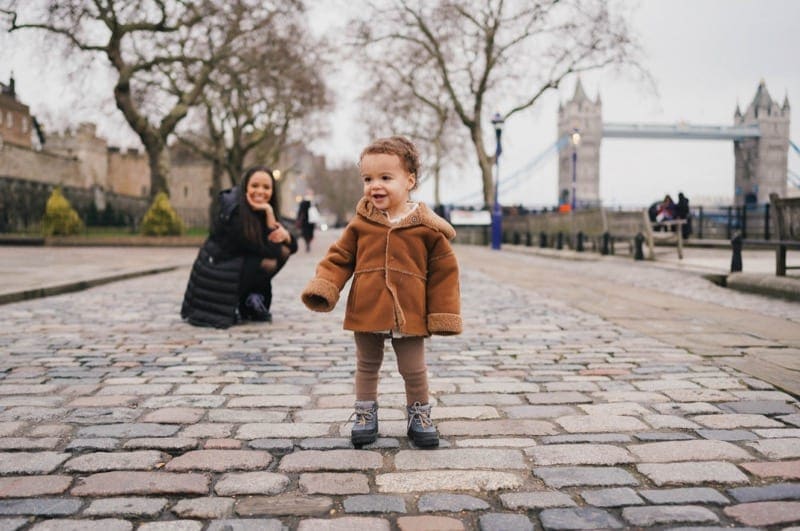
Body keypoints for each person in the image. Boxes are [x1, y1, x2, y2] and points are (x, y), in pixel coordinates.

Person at [301, 136, 462, 448]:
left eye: (386, 178)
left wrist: (443, 314)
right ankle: (365, 414)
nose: (375, 185)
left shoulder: (427, 230)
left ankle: (419, 415)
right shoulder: (361, 225)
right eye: (368, 179)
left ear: (409, 181)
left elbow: (444, 273)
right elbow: (339, 258)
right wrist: (326, 286)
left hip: (410, 311)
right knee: (366, 365)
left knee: (414, 369)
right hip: (367, 307)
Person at [181, 165, 297, 327]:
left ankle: (252, 298)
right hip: (217, 272)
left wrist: (287, 236)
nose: (260, 191)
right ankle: (243, 299)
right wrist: (270, 215)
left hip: (236, 265)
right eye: (254, 186)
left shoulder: (261, 210)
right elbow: (270, 250)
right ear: (245, 188)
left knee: (283, 251)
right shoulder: (235, 212)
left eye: (266, 187)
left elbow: (291, 247)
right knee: (269, 261)